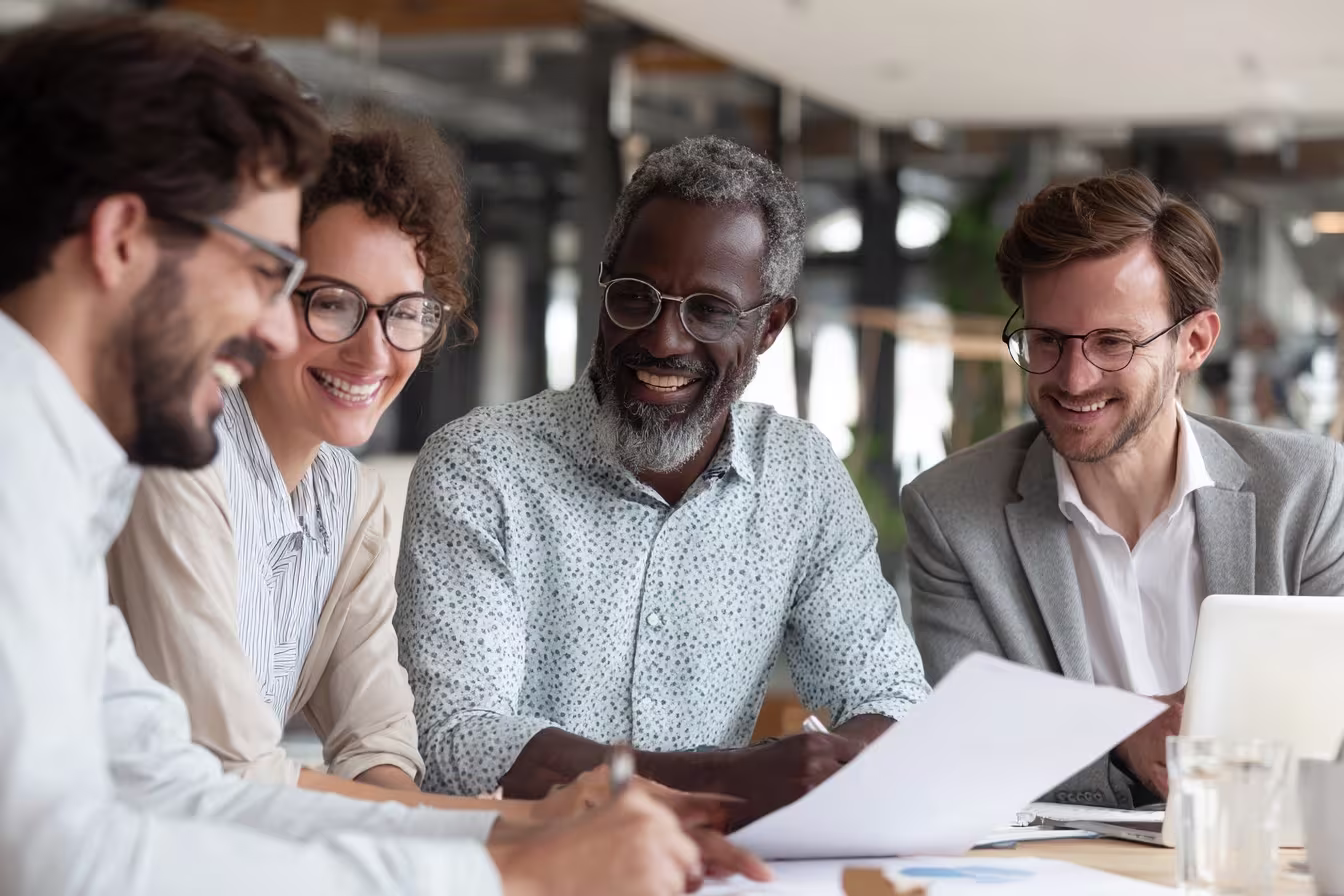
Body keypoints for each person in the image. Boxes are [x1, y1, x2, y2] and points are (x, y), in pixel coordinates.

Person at [0, 13, 761, 895]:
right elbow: (54, 861)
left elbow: (176, 787)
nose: (271, 324)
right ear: (122, 238)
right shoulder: (21, 471)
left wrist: (526, 839)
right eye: (262, 273)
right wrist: (518, 878)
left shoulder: (56, 471)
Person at [395, 135, 930, 824]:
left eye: (709, 310)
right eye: (635, 296)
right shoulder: (480, 467)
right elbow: (461, 743)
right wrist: (721, 782)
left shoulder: (799, 477)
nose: (664, 340)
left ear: (771, 325)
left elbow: (888, 694)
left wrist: (835, 771)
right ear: (603, 283)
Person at [105, 120, 602, 823]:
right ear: (266, 298)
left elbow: (376, 741)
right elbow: (225, 771)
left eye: (405, 313)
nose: (373, 354)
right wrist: (507, 826)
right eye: (333, 304)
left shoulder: (349, 498)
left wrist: (449, 836)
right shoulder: (180, 462)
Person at [901, 170, 1344, 809]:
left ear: (1194, 342)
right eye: (1047, 340)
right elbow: (970, 746)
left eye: (1113, 342)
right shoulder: (954, 515)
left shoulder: (1307, 492)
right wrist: (1123, 735)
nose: (1074, 378)